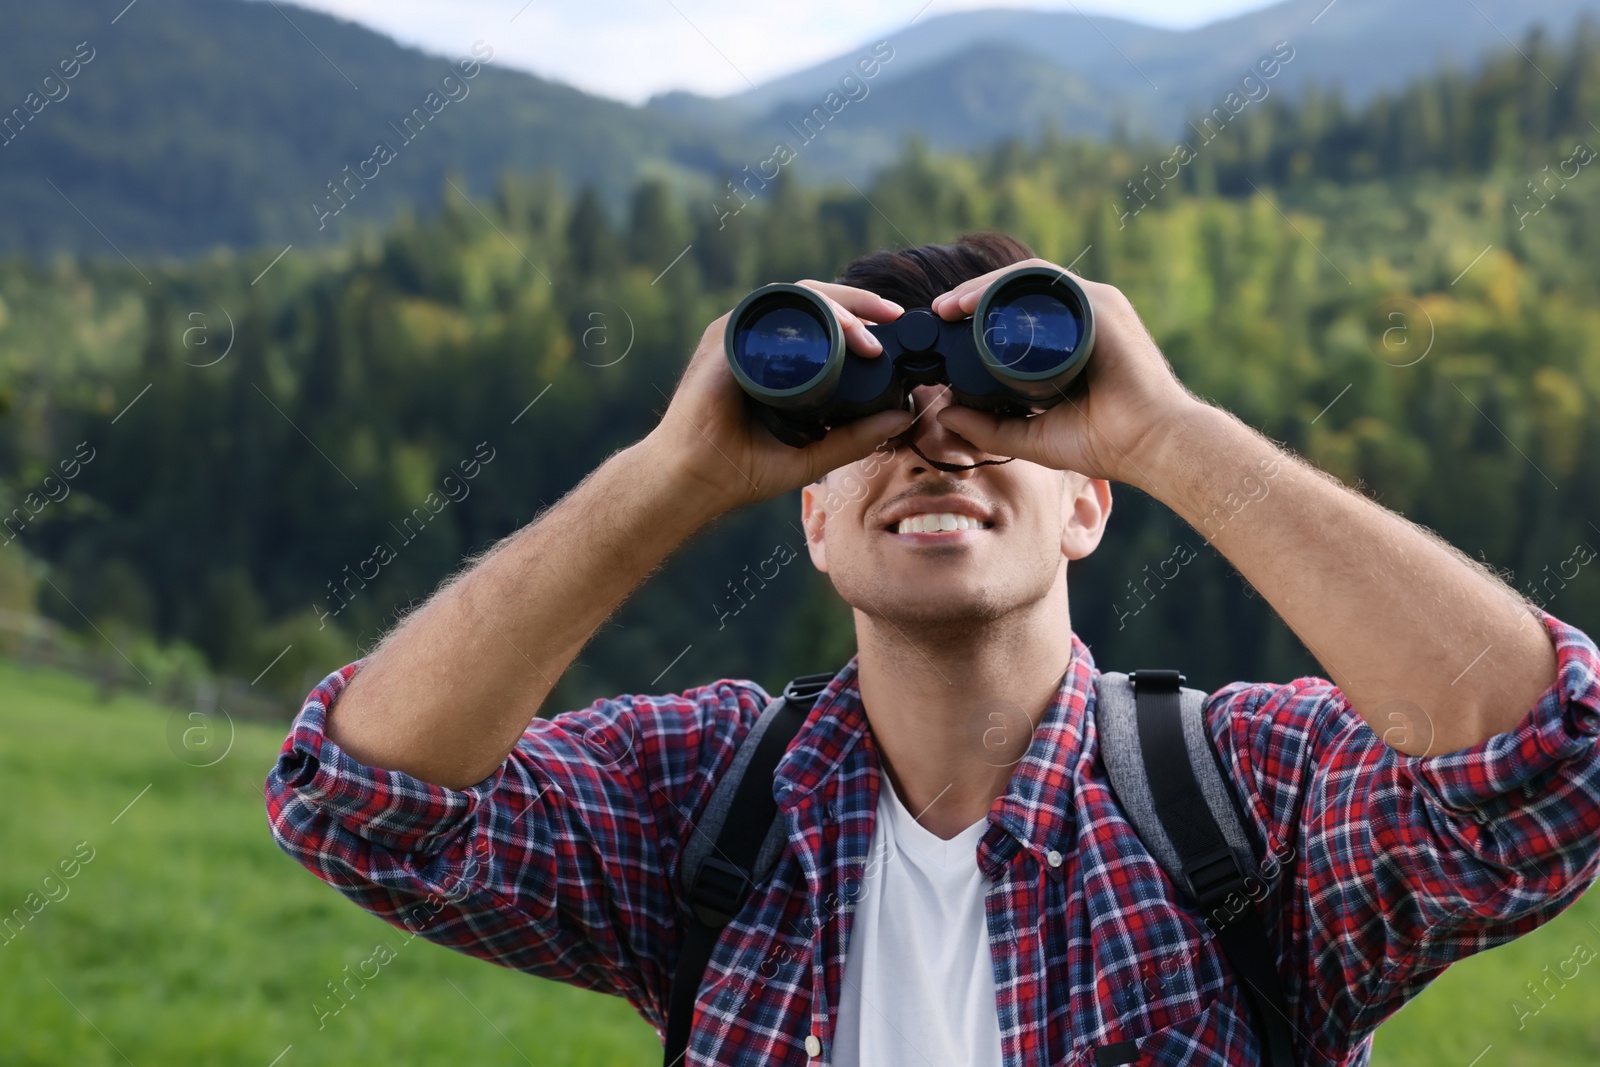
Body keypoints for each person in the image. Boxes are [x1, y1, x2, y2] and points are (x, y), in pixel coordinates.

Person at [264, 232, 1600, 1065]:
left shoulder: (1247, 793)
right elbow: (370, 807)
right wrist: (670, 475)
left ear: (1087, 504)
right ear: (814, 523)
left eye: (997, 417)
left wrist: (1165, 431)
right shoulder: (705, 796)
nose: (934, 442)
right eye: (870, 432)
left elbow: (1544, 770)